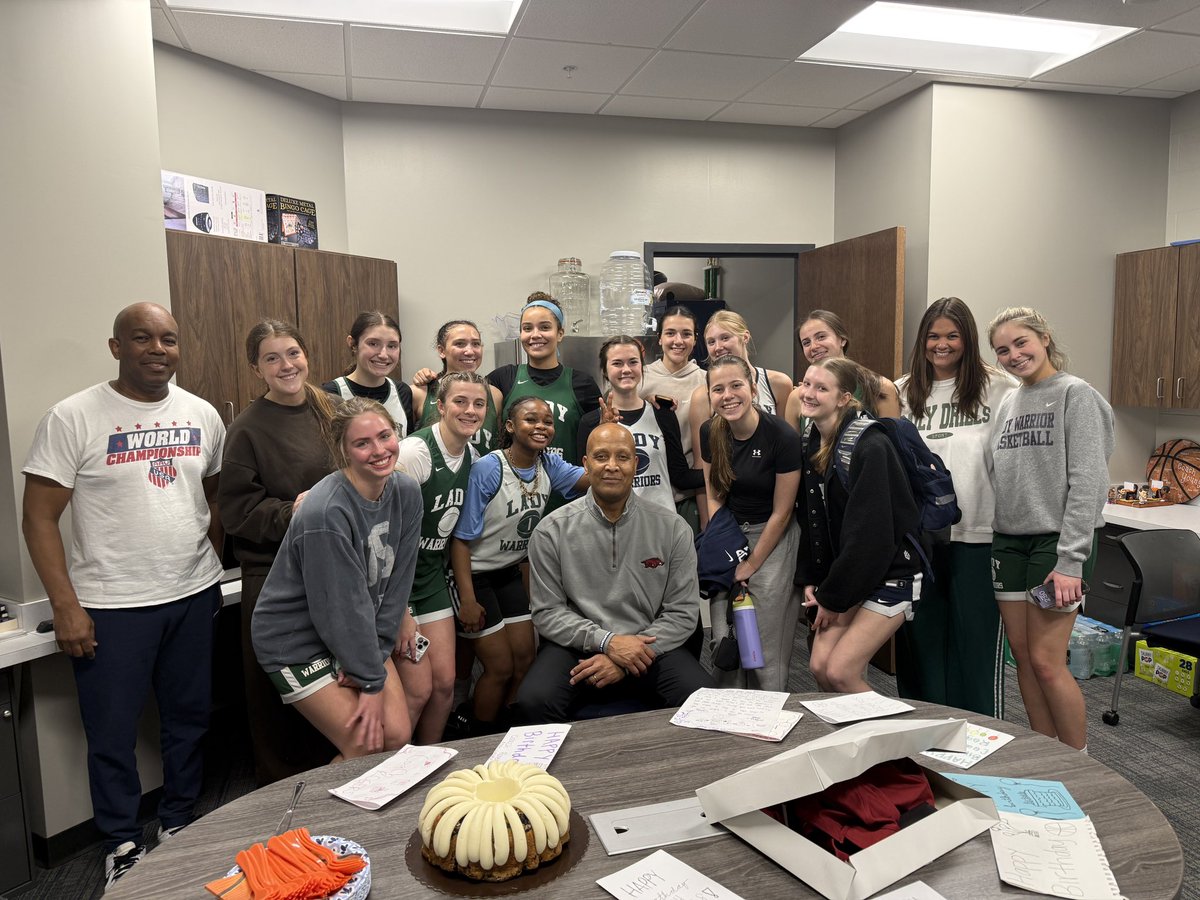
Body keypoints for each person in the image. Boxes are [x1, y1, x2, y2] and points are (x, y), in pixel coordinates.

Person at [21, 302, 225, 889]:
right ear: (116, 347)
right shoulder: (72, 417)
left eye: (168, 339)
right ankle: (121, 842)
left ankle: (179, 821)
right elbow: (38, 518)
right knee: (111, 733)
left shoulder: (202, 413)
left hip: (192, 594)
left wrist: (208, 567)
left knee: (189, 720)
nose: (157, 349)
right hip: (112, 605)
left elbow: (210, 497)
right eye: (142, 338)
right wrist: (66, 605)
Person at [251, 398, 422, 759]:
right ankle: (322, 800)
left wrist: (367, 663)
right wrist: (371, 682)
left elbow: (396, 586)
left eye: (385, 436)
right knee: (364, 745)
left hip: (355, 625)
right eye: (362, 443)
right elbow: (339, 607)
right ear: (343, 450)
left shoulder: (406, 492)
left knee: (398, 734)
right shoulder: (326, 511)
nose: (379, 450)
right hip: (297, 639)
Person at [513, 425, 714, 723]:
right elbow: (548, 613)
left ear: (636, 463)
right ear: (586, 464)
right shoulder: (551, 531)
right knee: (533, 702)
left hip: (649, 645)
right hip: (578, 646)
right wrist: (608, 643)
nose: (611, 466)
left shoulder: (672, 528)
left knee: (704, 700)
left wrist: (628, 655)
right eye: (601, 456)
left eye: (622, 457)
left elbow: (682, 612)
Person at [217, 320, 341, 784]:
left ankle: (336, 780)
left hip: (331, 567)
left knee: (333, 683)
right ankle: (281, 794)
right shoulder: (247, 429)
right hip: (275, 577)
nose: (286, 365)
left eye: (292, 353)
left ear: (306, 355)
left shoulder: (329, 409)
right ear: (257, 369)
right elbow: (238, 513)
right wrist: (294, 510)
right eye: (272, 358)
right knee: (279, 697)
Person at [987, 307, 1114, 750]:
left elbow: (1089, 481)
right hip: (1008, 542)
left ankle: (1079, 762)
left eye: (1021, 342)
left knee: (1046, 661)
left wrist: (1070, 559)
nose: (1013, 355)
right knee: (1023, 657)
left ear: (1044, 338)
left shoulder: (1076, 395)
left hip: (1055, 544)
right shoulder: (1009, 402)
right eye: (1002, 350)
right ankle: (1046, 753)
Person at [893, 298, 1018, 716]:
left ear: (967, 339)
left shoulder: (1000, 388)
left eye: (952, 336)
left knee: (975, 644)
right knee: (921, 643)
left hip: (978, 536)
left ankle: (982, 731)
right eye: (933, 336)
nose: (941, 345)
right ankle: (924, 730)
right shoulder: (901, 392)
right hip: (921, 541)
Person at [449, 397, 587, 733]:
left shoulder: (548, 465)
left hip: (508, 573)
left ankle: (508, 727)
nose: (541, 426)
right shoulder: (489, 468)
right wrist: (467, 600)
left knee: (526, 660)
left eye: (547, 421)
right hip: (473, 575)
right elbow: (460, 540)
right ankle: (479, 734)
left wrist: (608, 430)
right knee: (500, 667)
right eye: (531, 419)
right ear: (510, 426)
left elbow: (593, 479)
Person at [795, 357, 924, 694]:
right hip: (853, 573)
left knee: (840, 672)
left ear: (844, 398)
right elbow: (813, 518)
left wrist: (831, 598)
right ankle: (852, 728)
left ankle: (896, 728)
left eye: (821, 388)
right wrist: (812, 579)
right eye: (806, 383)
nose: (808, 393)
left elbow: (870, 538)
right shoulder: (811, 437)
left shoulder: (871, 445)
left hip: (891, 572)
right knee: (819, 665)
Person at [699, 355, 803, 692]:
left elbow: (782, 513)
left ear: (753, 388)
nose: (727, 395)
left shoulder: (781, 436)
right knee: (724, 640)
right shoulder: (710, 432)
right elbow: (714, 497)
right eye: (718, 389)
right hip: (731, 532)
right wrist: (725, 546)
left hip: (773, 535)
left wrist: (752, 563)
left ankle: (769, 713)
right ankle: (732, 715)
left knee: (761, 645)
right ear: (709, 395)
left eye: (736, 385)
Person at [394, 372, 488, 742]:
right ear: (441, 406)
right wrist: (398, 609)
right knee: (416, 691)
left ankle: (430, 760)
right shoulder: (415, 454)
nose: (470, 410)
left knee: (445, 684)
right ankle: (394, 763)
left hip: (431, 579)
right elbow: (383, 531)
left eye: (478, 403)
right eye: (460, 401)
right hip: (396, 584)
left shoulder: (473, 458)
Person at [688, 310, 791, 524]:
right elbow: (702, 470)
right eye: (711, 342)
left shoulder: (778, 384)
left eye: (725, 337)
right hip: (730, 509)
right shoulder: (702, 397)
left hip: (773, 504)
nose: (718, 347)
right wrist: (710, 527)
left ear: (745, 337)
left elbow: (789, 447)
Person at [578, 336, 702, 512]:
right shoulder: (591, 422)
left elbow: (680, 476)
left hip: (660, 519)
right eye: (617, 363)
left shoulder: (662, 413)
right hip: (611, 520)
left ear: (642, 368)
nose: (626, 369)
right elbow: (584, 481)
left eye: (633, 362)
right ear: (605, 371)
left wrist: (725, 473)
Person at [487, 293, 602, 467]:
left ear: (560, 333)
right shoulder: (502, 378)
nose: (535, 335)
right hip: (513, 483)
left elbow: (597, 441)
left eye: (545, 327)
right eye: (527, 328)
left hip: (566, 483)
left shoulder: (582, 384)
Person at [638, 306, 707, 531]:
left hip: (689, 495)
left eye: (686, 334)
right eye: (670, 333)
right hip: (645, 495)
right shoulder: (639, 378)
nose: (678, 341)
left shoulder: (706, 381)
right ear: (659, 338)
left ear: (695, 339)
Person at [785, 309, 901, 427]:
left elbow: (892, 437)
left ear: (842, 340)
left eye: (821, 337)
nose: (813, 346)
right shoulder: (797, 397)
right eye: (806, 343)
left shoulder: (880, 388)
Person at [411, 319, 504, 453]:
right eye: (460, 344)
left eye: (476, 344)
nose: (470, 351)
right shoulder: (421, 393)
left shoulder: (494, 395)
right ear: (442, 350)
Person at [322, 311, 415, 438]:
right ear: (353, 344)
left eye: (392, 346)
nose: (383, 355)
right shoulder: (331, 394)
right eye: (373, 344)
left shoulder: (402, 392)